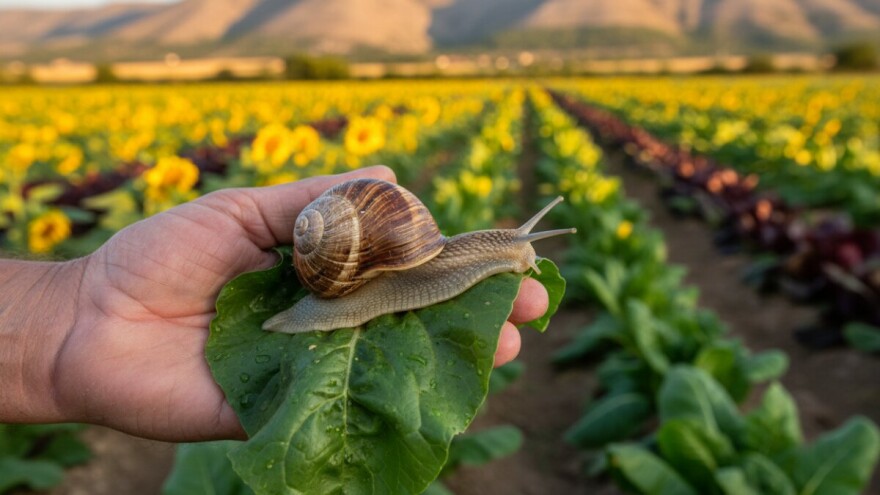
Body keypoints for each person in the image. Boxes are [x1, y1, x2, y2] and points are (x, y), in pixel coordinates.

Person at [0, 166, 548, 442]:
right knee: (440, 271)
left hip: (363, 265)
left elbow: (431, 259)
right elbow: (424, 264)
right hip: (349, 271)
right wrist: (81, 308)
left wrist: (78, 310)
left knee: (453, 266)